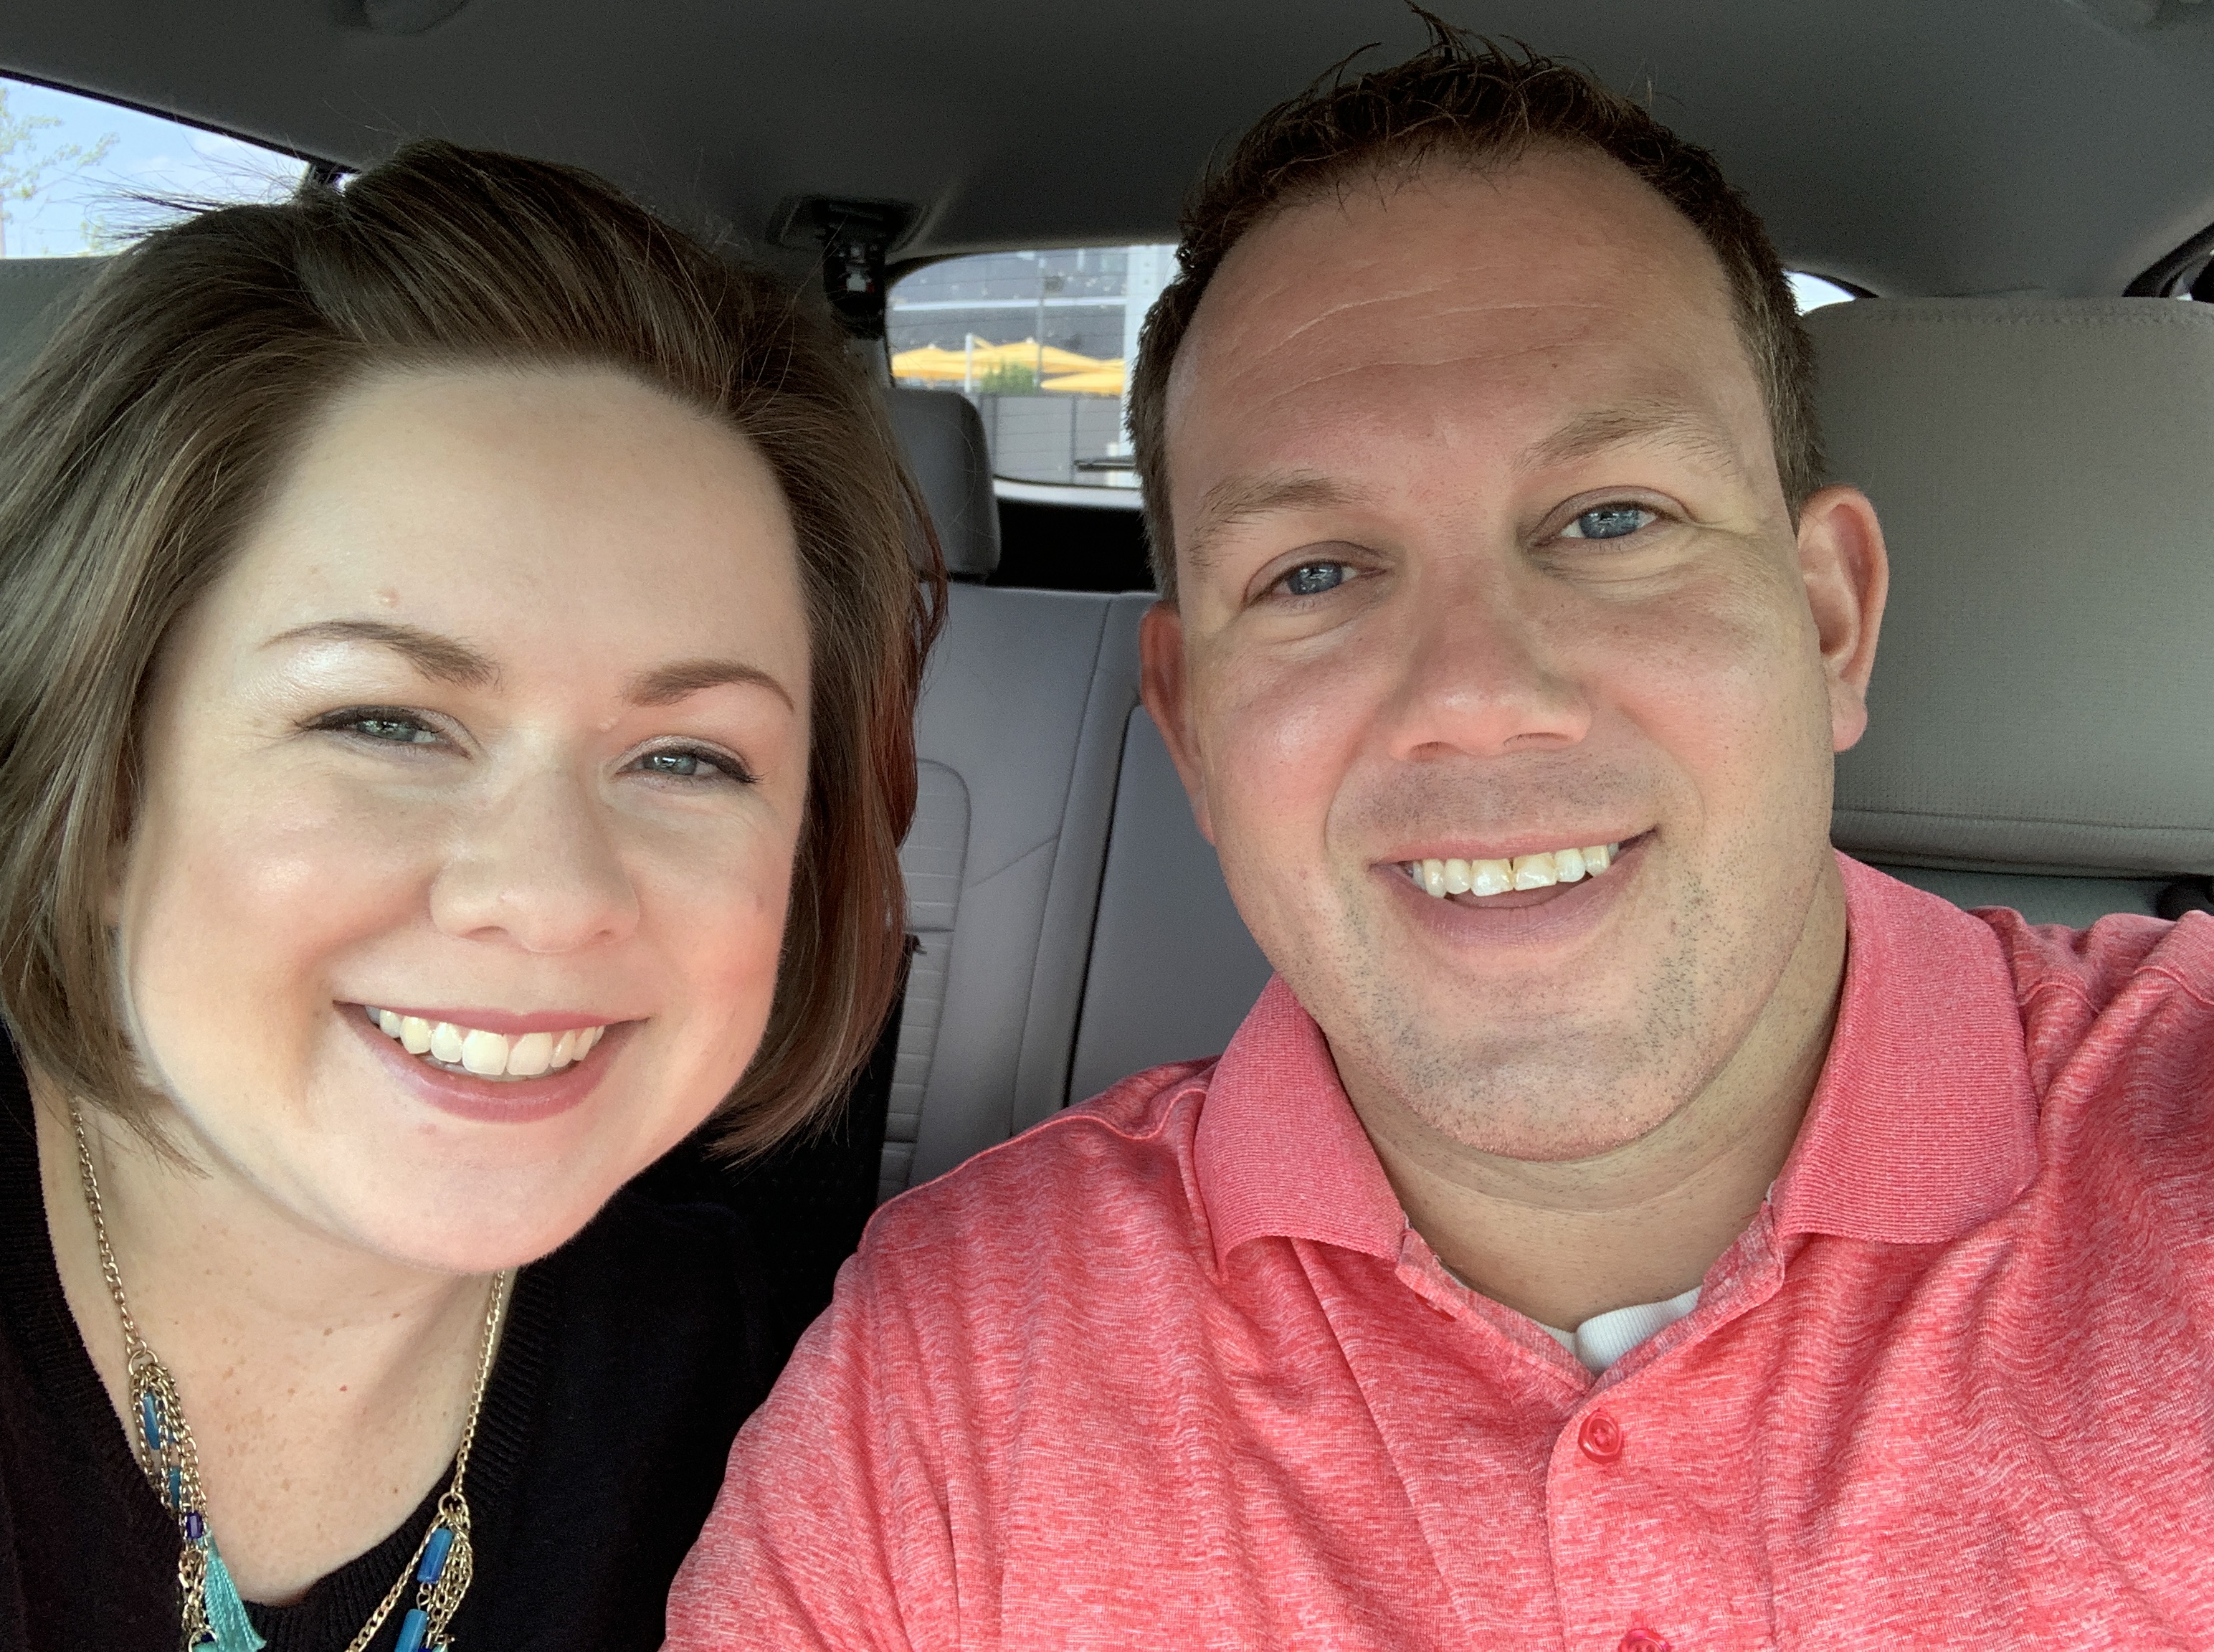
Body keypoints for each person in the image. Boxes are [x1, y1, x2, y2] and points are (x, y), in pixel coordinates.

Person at [665, 22, 2214, 1652]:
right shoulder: (948, 1376)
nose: (1475, 696)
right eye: (1316, 573)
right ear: (1189, 730)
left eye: (1609, 519)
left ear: (1830, 620)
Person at [0, 141, 938, 1651]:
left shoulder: (765, 1401)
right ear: (104, 784)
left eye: (689, 757)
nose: (552, 897)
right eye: (385, 722)